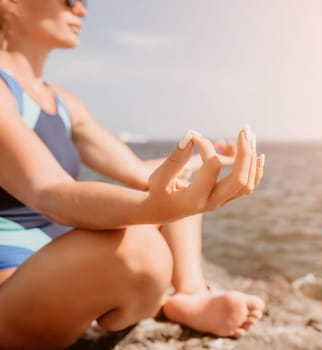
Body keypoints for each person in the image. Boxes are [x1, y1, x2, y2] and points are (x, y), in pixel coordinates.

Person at [0, 0, 266, 348]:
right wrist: (162, 208)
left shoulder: (63, 101)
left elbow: (138, 172)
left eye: (83, 2)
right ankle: (157, 303)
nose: (81, 10)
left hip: (59, 261)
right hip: (12, 286)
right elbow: (50, 193)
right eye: (68, 0)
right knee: (140, 248)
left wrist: (205, 166)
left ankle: (190, 295)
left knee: (170, 177)